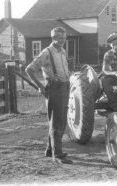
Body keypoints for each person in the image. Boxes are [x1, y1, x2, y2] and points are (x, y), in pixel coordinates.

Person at [25, 27, 73, 164]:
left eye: (64, 38)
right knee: (57, 122)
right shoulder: (46, 52)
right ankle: (57, 155)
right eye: (60, 38)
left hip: (64, 87)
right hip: (54, 89)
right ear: (53, 38)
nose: (63, 41)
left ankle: (49, 150)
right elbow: (29, 69)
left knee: (58, 120)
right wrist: (40, 86)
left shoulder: (62, 51)